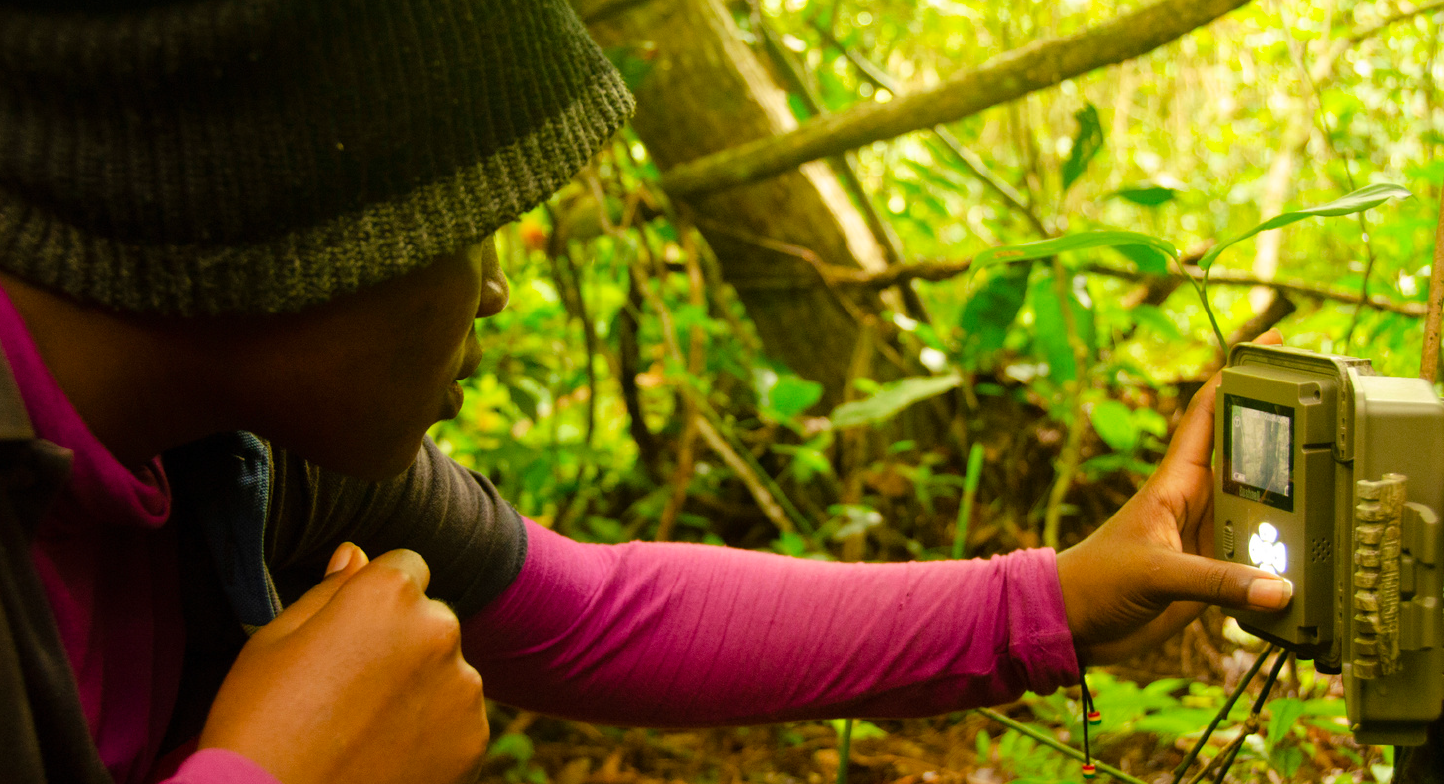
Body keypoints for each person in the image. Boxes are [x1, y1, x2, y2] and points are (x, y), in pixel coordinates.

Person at [0, 0, 1293, 782]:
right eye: (469, 229)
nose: (497, 289)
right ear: (284, 244)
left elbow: (597, 612)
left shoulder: (231, 447)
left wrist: (1051, 600)